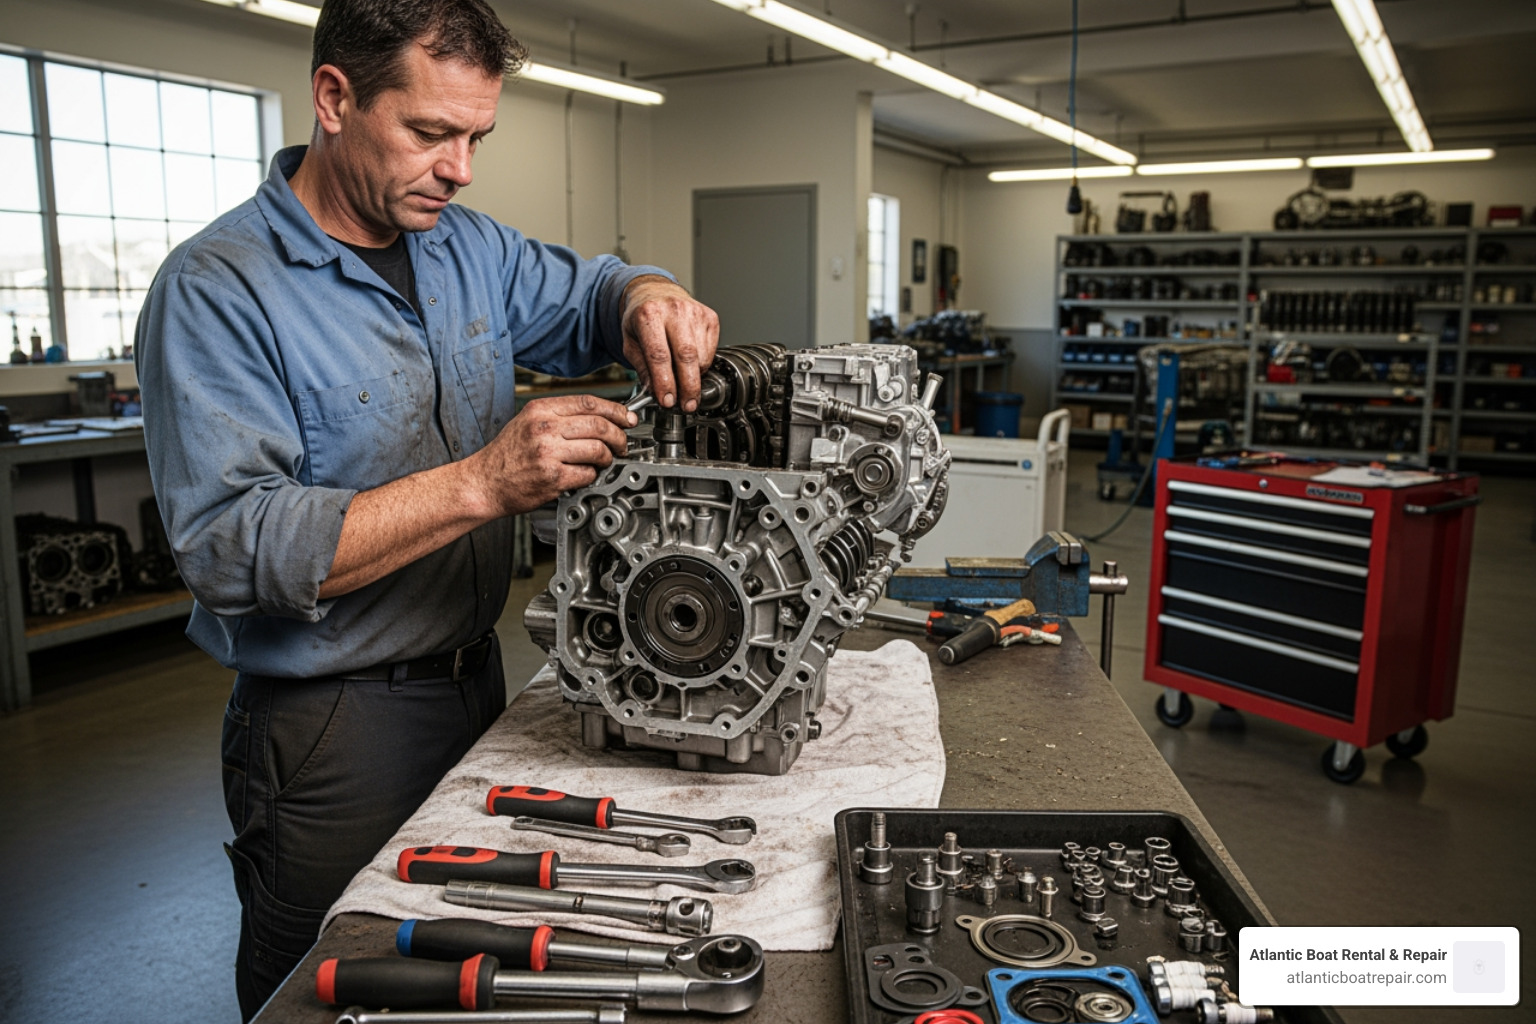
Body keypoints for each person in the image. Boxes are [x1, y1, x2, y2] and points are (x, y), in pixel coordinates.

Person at [134, 0, 718, 1016]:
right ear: (335, 98)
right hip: (330, 729)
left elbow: (597, 293)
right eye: (431, 133)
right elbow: (231, 548)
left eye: (477, 136)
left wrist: (651, 298)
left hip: (479, 690)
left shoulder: (465, 248)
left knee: (461, 982)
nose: (461, 168)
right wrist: (485, 482)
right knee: (328, 988)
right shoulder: (219, 289)